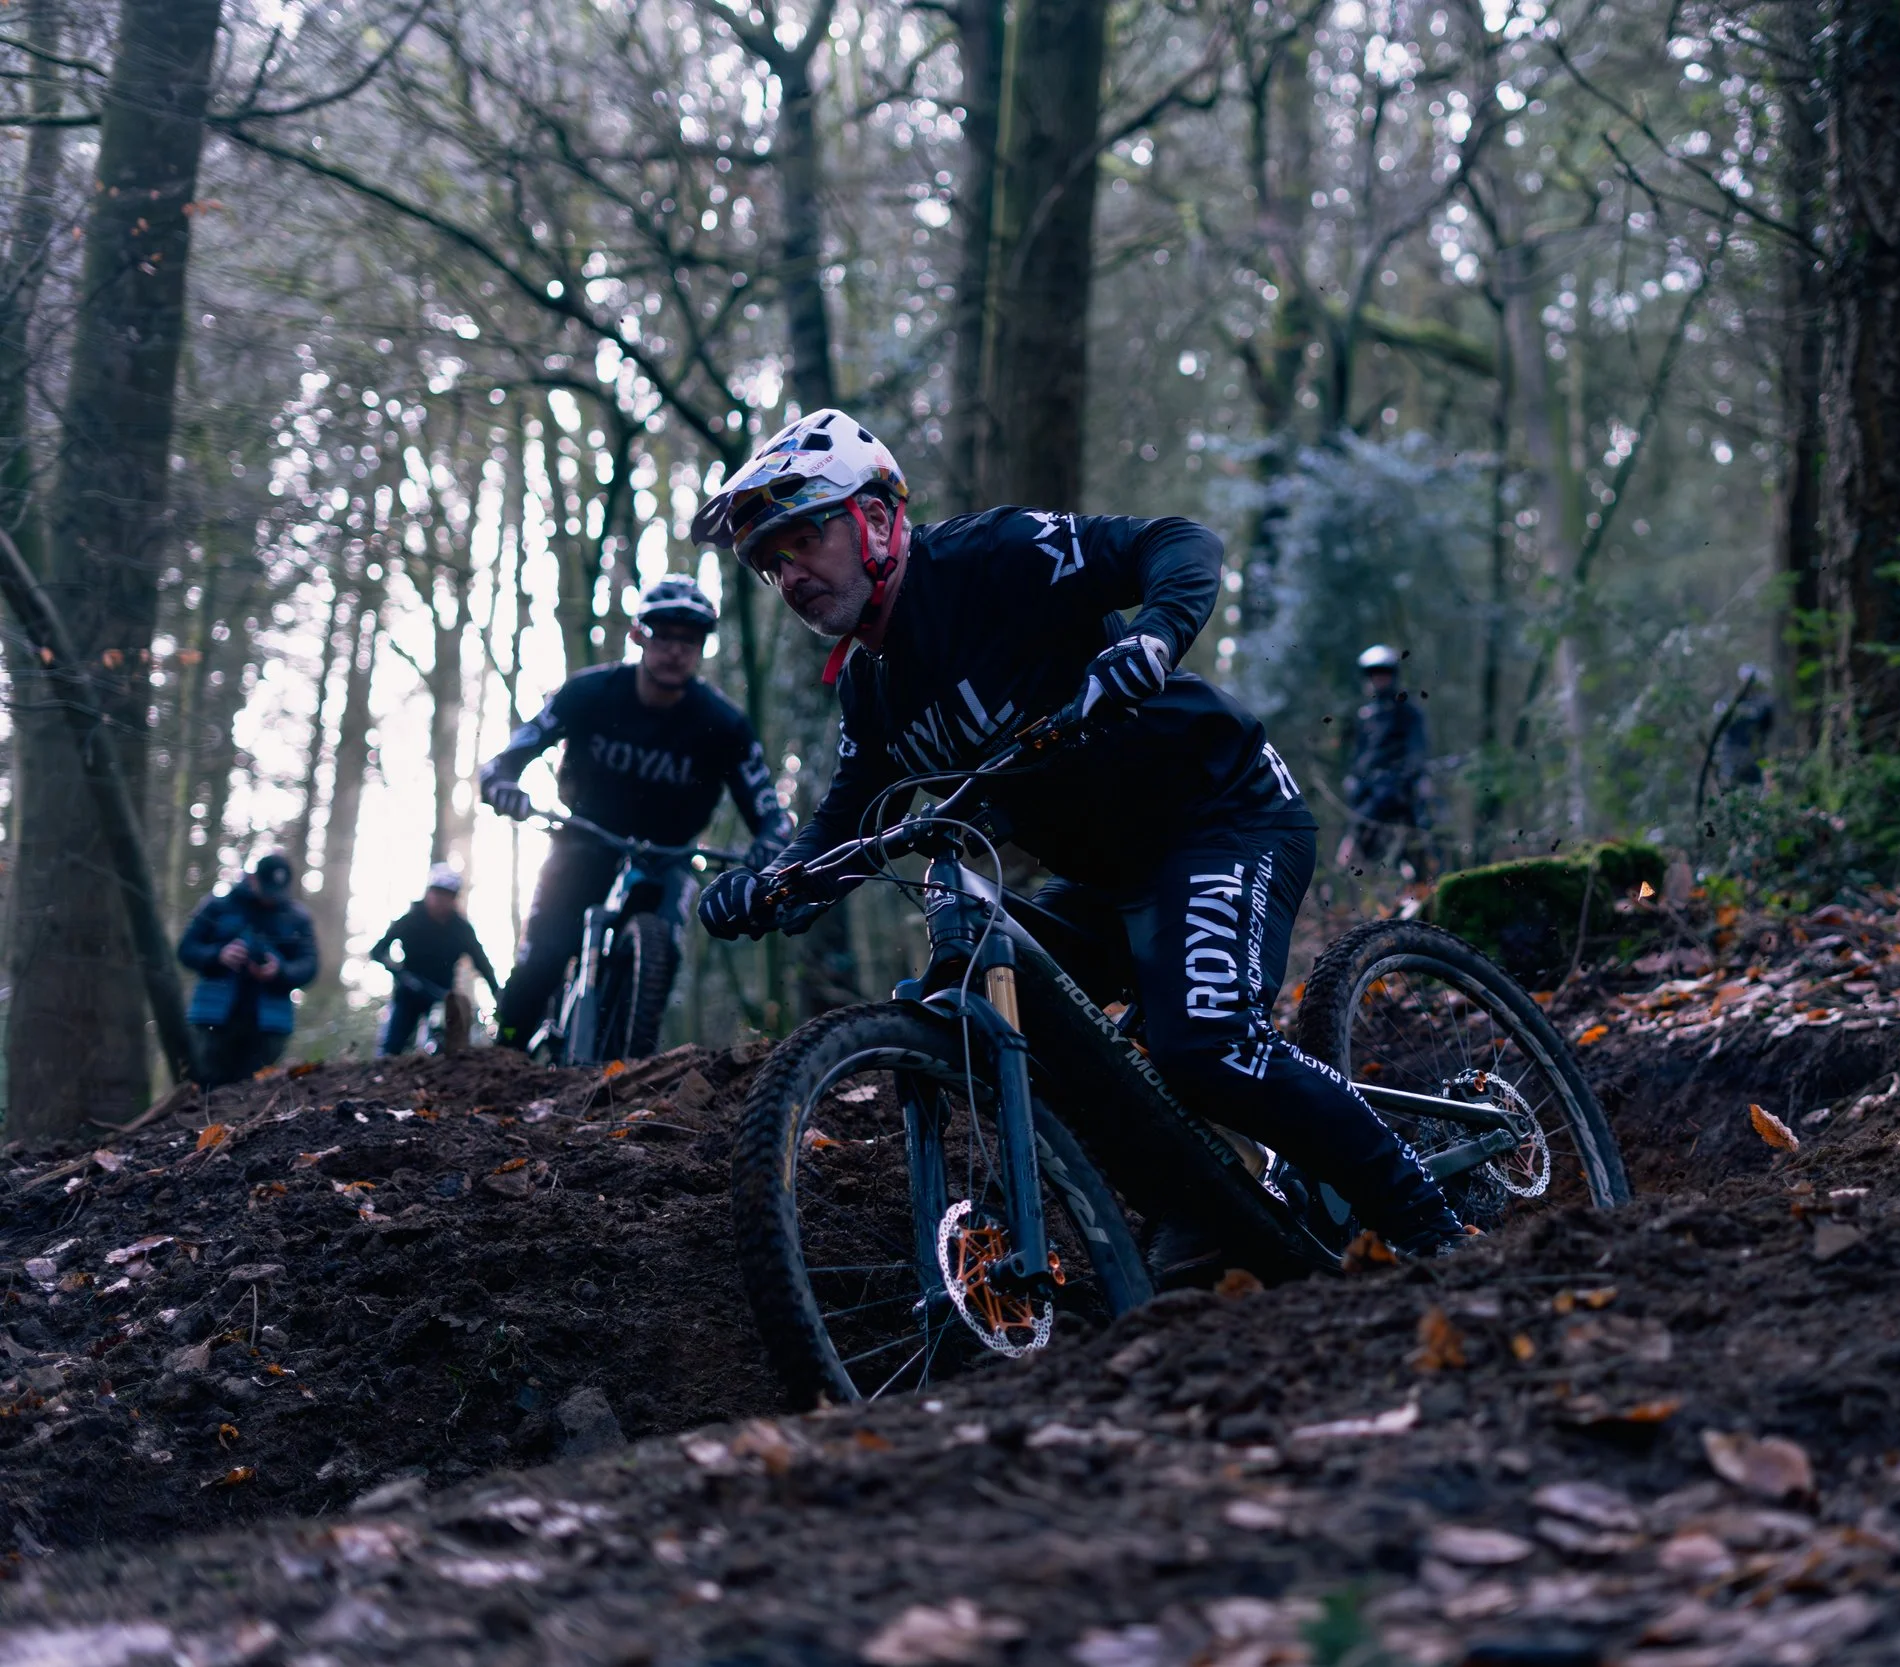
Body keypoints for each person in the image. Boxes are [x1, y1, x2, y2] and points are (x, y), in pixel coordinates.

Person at [687, 407, 1466, 1263]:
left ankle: (1431, 1224)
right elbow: (845, 824)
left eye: (801, 538)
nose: (788, 574)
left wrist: (1152, 638)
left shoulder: (996, 556)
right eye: (768, 562)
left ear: (875, 517)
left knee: (1205, 1043)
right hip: (1108, 880)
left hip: (1221, 815)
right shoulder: (870, 694)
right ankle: (1203, 1198)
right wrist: (774, 882)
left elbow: (1180, 543)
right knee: (985, 999)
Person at [478, 577, 794, 1048]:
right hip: (584, 837)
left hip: (669, 856)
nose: (675, 651)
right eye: (664, 636)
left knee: (662, 948)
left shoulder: (724, 725)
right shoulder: (590, 693)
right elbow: (511, 754)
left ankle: (626, 1064)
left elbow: (768, 809)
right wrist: (502, 783)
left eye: (689, 641)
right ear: (638, 635)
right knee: (543, 954)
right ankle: (499, 1056)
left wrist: (770, 843)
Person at [176, 853, 319, 1088]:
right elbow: (186, 950)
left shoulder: (297, 918)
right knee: (208, 1086)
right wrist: (218, 955)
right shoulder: (218, 906)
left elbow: (309, 966)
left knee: (255, 1090)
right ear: (252, 879)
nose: (270, 899)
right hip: (214, 1018)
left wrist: (279, 971)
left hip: (269, 1023)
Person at [372, 864, 502, 1056]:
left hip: (442, 997)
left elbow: (481, 961)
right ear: (428, 893)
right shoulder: (410, 920)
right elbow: (377, 951)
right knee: (391, 1048)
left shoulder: (461, 929)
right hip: (408, 995)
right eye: (437, 893)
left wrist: (497, 992)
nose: (440, 900)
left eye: (447, 895)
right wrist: (401, 974)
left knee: (451, 1049)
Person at [1336, 644, 1434, 875]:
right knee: (1356, 842)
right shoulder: (1365, 716)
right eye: (1375, 674)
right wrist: (1354, 779)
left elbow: (1417, 750)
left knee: (1420, 842)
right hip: (1368, 795)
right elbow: (1359, 757)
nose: (1379, 679)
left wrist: (1407, 776)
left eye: (1384, 674)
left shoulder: (1408, 712)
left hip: (1400, 793)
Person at [1712, 664, 1775, 790]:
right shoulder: (1728, 701)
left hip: (1753, 758)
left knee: (1755, 790)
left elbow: (1766, 721)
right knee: (1730, 789)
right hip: (1731, 758)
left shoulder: (1762, 702)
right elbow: (1720, 717)